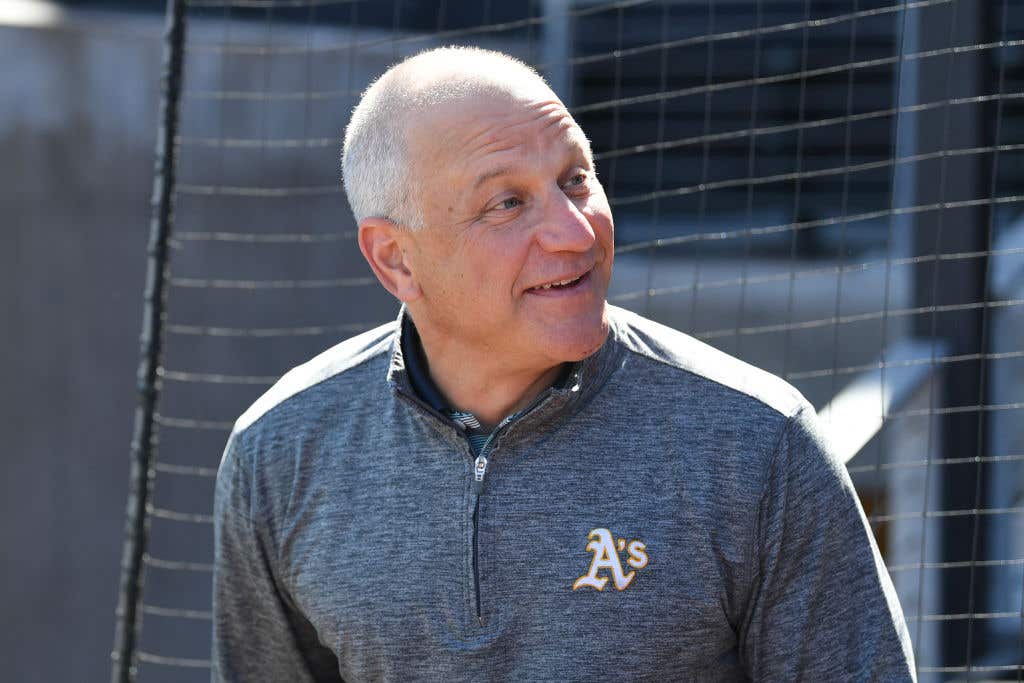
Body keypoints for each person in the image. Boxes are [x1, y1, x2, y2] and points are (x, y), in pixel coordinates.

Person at [211, 46, 915, 681]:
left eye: (575, 178)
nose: (576, 231)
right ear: (395, 257)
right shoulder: (279, 452)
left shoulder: (758, 442)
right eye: (507, 202)